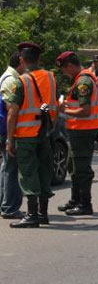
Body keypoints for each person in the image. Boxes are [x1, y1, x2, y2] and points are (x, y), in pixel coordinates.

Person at [5, 42, 58, 228]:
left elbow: (12, 113)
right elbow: (54, 106)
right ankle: (43, 213)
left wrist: (9, 140)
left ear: (21, 59)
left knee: (28, 173)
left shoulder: (21, 81)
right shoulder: (51, 77)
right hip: (45, 133)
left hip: (26, 135)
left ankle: (32, 214)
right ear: (39, 59)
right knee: (44, 171)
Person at [56, 51, 98, 216]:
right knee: (72, 166)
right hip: (78, 130)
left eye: (63, 70)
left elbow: (85, 111)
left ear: (69, 66)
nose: (64, 73)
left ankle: (85, 204)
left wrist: (65, 110)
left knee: (82, 168)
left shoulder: (83, 80)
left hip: (84, 130)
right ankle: (75, 200)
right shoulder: (81, 79)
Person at [0, 51, 26, 219]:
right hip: (8, 131)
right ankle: (10, 207)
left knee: (6, 167)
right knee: (11, 168)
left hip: (4, 129)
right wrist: (10, 138)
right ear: (21, 61)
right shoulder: (12, 80)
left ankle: (5, 204)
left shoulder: (7, 77)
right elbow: (11, 111)